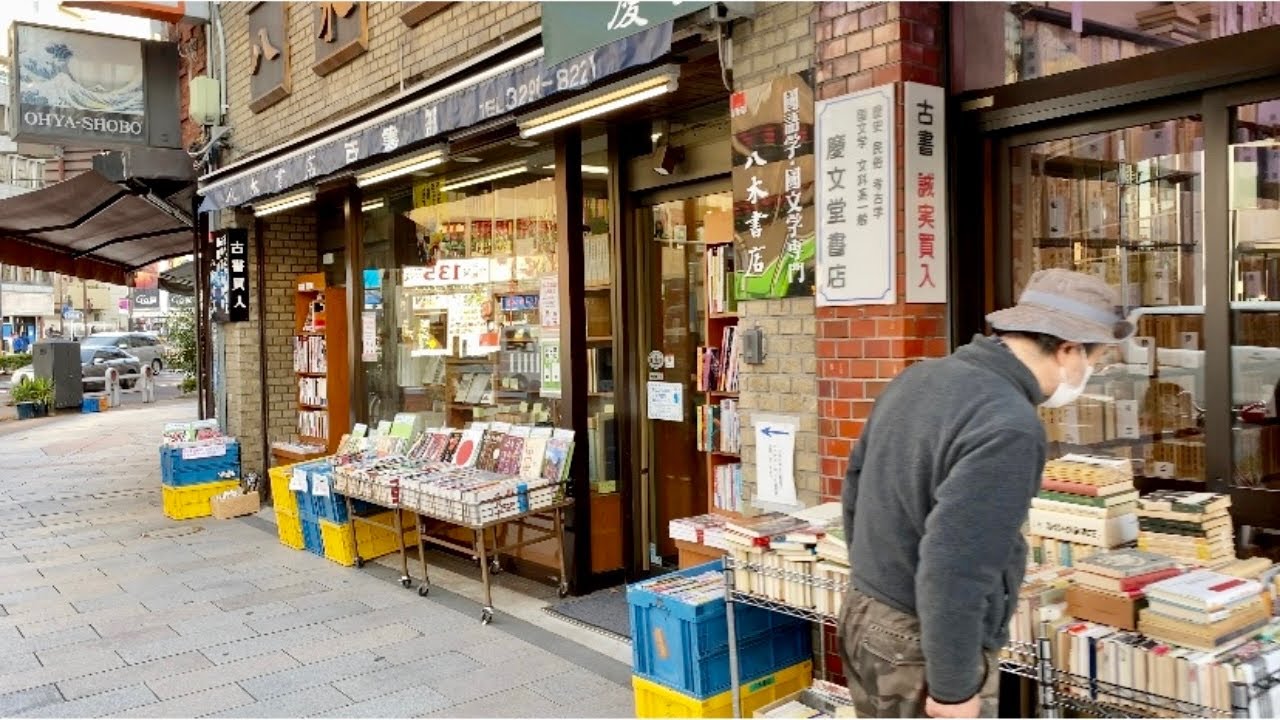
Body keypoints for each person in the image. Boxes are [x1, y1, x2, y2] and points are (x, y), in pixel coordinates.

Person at [837, 268, 1134, 718]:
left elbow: (856, 486)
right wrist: (954, 689)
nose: (1090, 373)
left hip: (865, 610)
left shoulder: (918, 378)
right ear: (1069, 350)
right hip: (921, 641)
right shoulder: (1009, 423)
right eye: (1094, 360)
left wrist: (873, 575)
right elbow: (956, 566)